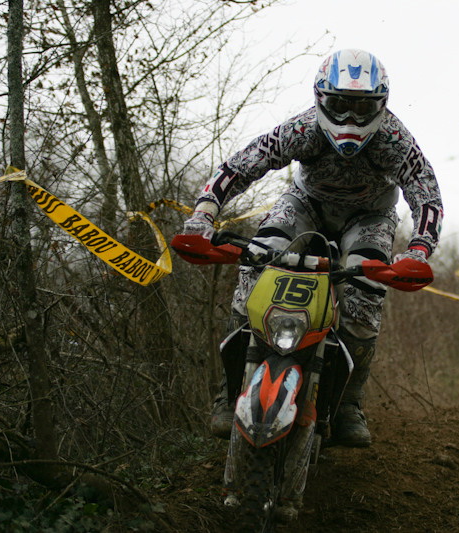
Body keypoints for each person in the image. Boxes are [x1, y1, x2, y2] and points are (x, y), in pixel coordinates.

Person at [182, 49, 443, 447]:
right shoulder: (303, 129)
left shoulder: (393, 139)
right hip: (305, 206)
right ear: (321, 99)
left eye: (363, 107)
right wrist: (203, 215)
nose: (351, 119)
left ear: (381, 105)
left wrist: (419, 250)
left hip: (369, 218)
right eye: (339, 105)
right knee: (255, 263)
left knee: (364, 291)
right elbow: (244, 164)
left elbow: (426, 195)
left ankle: (348, 405)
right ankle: (230, 392)